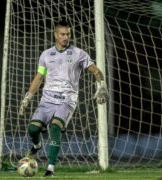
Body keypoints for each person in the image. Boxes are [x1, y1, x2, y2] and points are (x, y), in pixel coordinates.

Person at [19, 20, 109, 177]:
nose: (65, 37)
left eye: (68, 34)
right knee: (33, 129)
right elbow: (39, 77)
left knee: (54, 128)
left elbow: (95, 71)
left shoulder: (79, 54)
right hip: (47, 100)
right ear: (55, 35)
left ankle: (50, 169)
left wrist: (102, 85)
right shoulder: (46, 55)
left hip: (67, 99)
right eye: (62, 34)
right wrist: (28, 97)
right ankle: (37, 145)